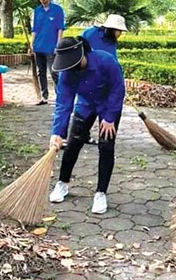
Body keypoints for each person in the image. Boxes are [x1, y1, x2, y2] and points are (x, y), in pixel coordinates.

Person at [48, 37, 125, 214]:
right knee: (73, 143)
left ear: (82, 55)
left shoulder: (106, 61)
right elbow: (63, 103)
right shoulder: (67, 72)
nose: (69, 68)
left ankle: (101, 193)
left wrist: (110, 117)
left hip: (108, 106)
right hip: (85, 105)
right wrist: (57, 132)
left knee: (106, 146)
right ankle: (62, 183)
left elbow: (117, 89)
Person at [81, 14, 128, 144]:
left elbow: (113, 62)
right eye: (119, 31)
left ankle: (86, 134)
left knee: (95, 109)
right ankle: (81, 135)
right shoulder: (89, 34)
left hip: (104, 81)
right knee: (89, 109)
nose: (120, 34)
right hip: (90, 78)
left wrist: (118, 83)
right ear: (112, 29)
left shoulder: (110, 41)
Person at [31, 0, 65, 105]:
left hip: (51, 47)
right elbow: (35, 29)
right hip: (38, 46)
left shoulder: (57, 10)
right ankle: (44, 96)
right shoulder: (37, 11)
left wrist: (58, 45)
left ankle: (60, 96)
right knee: (41, 72)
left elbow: (60, 28)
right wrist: (32, 44)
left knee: (54, 72)